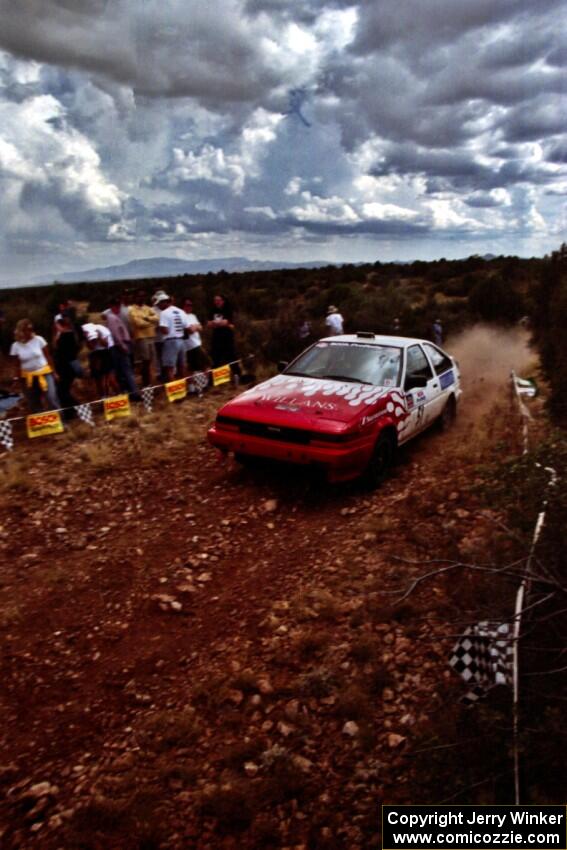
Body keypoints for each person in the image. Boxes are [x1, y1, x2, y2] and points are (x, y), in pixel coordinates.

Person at [10, 318, 61, 412]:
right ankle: (40, 425)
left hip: (44, 372)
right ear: (21, 331)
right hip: (27, 377)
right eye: (27, 330)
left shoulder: (39, 339)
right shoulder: (15, 346)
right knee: (33, 402)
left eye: (31, 329)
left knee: (51, 397)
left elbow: (48, 356)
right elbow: (16, 365)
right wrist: (16, 379)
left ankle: (60, 421)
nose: (30, 332)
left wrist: (54, 372)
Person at [104, 298, 140, 399]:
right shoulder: (111, 317)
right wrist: (122, 345)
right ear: (112, 306)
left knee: (122, 370)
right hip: (119, 346)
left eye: (119, 305)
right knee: (126, 370)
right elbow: (115, 334)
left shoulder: (114, 316)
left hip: (120, 345)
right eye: (116, 305)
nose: (118, 307)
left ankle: (127, 392)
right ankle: (134, 393)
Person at [53, 310, 82, 415]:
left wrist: (58, 337)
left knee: (62, 391)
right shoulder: (69, 334)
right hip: (65, 365)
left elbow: (59, 350)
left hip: (66, 366)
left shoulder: (67, 335)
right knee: (63, 390)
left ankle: (76, 408)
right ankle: (71, 411)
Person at [156, 293, 190, 382]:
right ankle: (186, 387)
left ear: (164, 302)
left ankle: (174, 390)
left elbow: (165, 330)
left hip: (170, 341)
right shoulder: (181, 311)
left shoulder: (164, 313)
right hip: (181, 340)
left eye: (159, 304)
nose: (159, 306)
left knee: (169, 368)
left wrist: (158, 328)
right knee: (182, 366)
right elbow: (186, 327)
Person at [207, 294, 241, 384]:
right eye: (215, 300)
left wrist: (216, 323)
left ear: (223, 301)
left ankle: (237, 376)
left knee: (231, 356)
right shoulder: (212, 311)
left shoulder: (227, 310)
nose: (216, 302)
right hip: (216, 338)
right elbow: (208, 324)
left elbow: (226, 322)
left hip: (227, 337)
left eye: (218, 300)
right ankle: (213, 380)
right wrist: (219, 323)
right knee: (215, 358)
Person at [129, 290, 159, 387]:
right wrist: (151, 322)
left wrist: (146, 318)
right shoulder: (132, 309)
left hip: (151, 336)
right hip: (141, 337)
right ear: (135, 297)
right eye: (139, 296)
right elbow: (139, 323)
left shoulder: (148, 308)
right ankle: (146, 383)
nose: (141, 298)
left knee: (151, 361)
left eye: (143, 296)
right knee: (145, 361)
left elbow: (157, 318)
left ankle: (151, 382)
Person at [82, 321, 119, 399]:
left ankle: (119, 395)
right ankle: (103, 397)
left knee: (110, 378)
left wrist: (98, 338)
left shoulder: (102, 330)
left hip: (106, 351)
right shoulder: (86, 333)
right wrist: (88, 340)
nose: (93, 341)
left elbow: (106, 344)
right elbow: (91, 347)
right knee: (99, 378)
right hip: (95, 354)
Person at [182, 298, 205, 374]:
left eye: (191, 305)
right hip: (190, 345)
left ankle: (201, 383)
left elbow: (201, 327)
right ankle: (194, 384)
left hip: (197, 342)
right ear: (183, 306)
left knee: (199, 366)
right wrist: (196, 326)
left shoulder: (193, 315)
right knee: (204, 363)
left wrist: (194, 326)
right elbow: (190, 330)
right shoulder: (182, 315)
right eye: (188, 305)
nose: (190, 307)